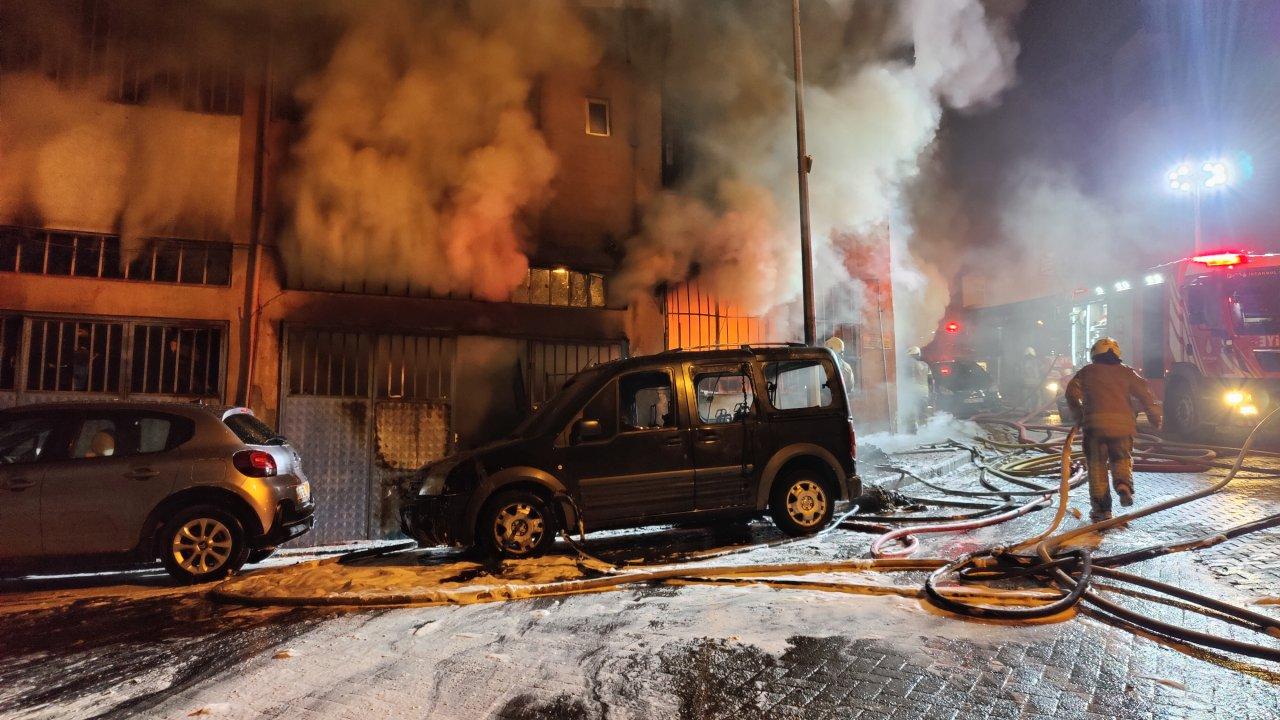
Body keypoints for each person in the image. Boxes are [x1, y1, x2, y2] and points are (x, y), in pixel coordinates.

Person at [1065, 337, 1163, 522]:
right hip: (1122, 427)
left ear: (1094, 354)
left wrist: (1078, 416)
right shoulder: (1127, 372)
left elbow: (1071, 393)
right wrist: (1154, 417)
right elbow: (1145, 393)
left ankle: (1102, 512)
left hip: (1094, 429)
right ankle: (1123, 486)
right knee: (1121, 459)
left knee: (1097, 468)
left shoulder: (1086, 372)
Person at [1017, 346, 1043, 412]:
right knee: (1037, 396)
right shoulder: (1037, 361)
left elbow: (1017, 372)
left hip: (1026, 383)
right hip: (1035, 382)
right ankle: (1036, 410)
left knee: (1027, 397)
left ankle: (1029, 410)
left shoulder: (1021, 362)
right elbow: (1042, 370)